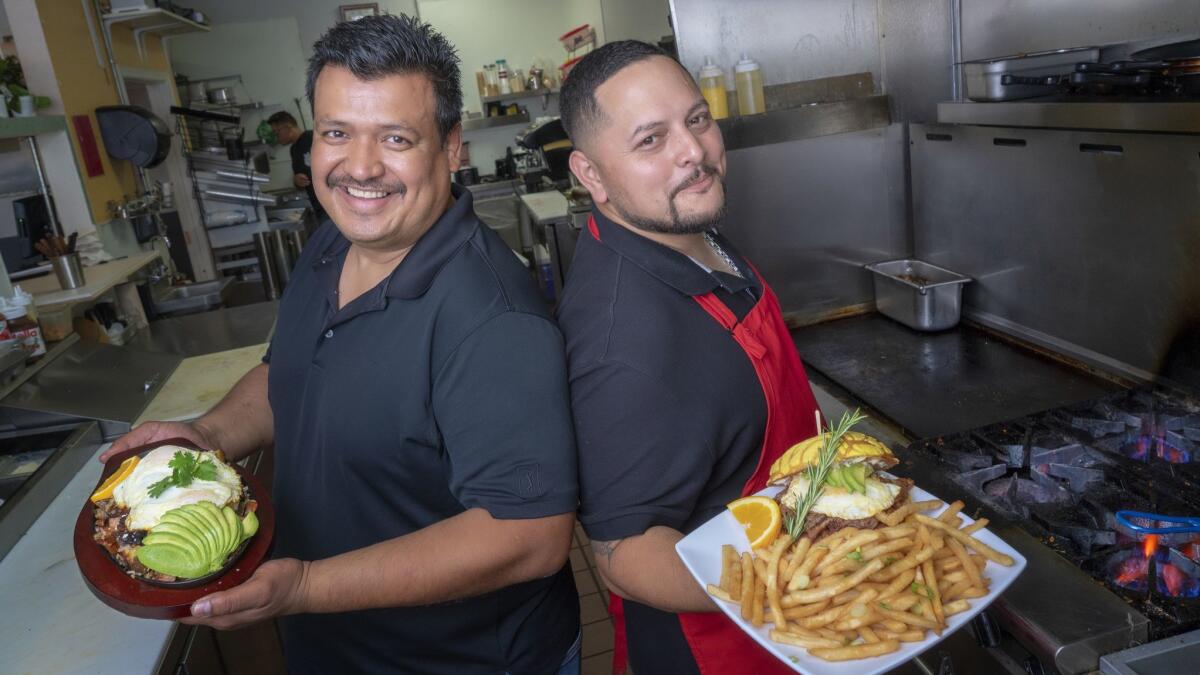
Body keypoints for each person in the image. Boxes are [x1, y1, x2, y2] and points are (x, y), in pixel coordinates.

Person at [104, 15, 581, 674]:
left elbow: (529, 536)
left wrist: (304, 586)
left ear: (451, 147)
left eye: (395, 137)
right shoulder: (334, 240)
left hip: (455, 660)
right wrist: (207, 435)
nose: (359, 168)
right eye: (336, 133)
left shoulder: (492, 319)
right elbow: (290, 372)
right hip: (337, 646)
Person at [555, 41, 823, 674]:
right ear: (590, 174)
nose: (694, 152)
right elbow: (623, 556)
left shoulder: (678, 226)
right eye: (651, 140)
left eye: (697, 119)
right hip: (726, 650)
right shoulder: (619, 344)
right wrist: (801, 583)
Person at [267, 110, 327, 223]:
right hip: (318, 205)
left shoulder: (312, 138)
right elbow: (300, 181)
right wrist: (297, 180)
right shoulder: (293, 150)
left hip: (330, 203)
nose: (276, 136)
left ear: (287, 127)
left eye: (277, 132)